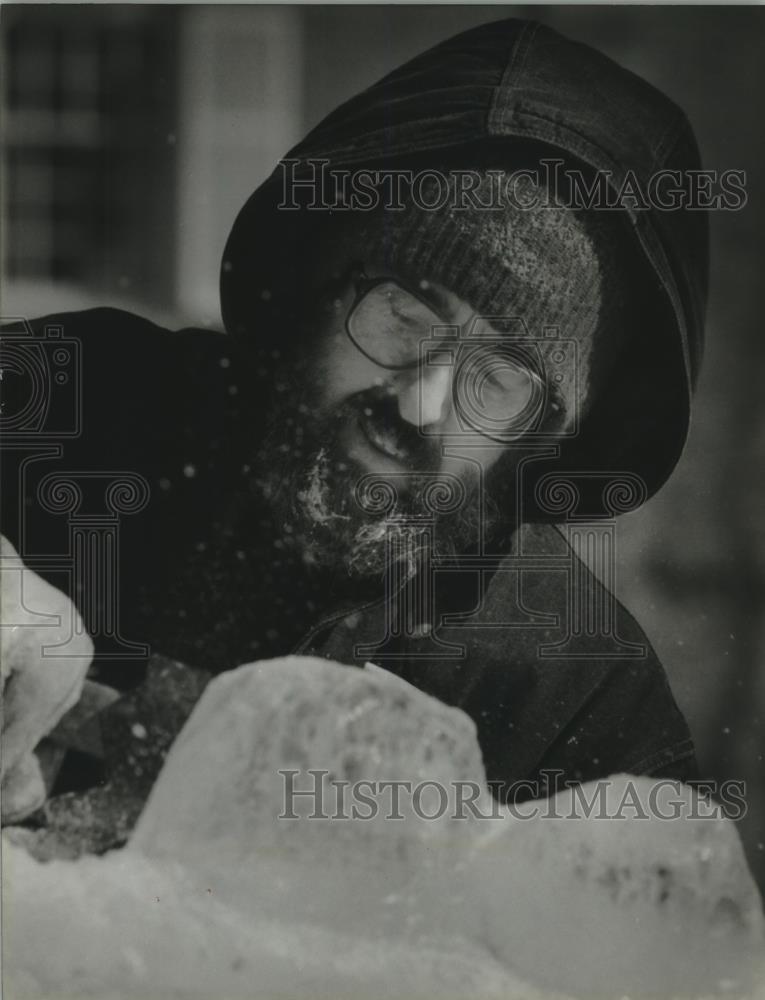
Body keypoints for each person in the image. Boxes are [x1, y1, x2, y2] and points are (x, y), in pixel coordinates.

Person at [0, 18, 707, 844]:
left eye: (498, 379)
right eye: (404, 316)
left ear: (546, 433)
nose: (420, 405)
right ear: (319, 288)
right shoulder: (75, 400)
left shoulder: (567, 690)